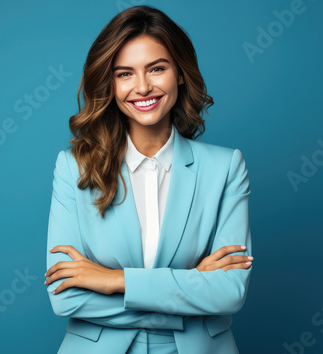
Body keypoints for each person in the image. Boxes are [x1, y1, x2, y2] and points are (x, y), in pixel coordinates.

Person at [44, 5, 253, 354]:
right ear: (109, 83)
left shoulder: (226, 167)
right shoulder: (73, 168)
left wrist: (115, 281)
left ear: (180, 74)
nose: (142, 87)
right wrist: (190, 288)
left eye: (156, 69)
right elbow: (65, 299)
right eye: (124, 74)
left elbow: (229, 291)